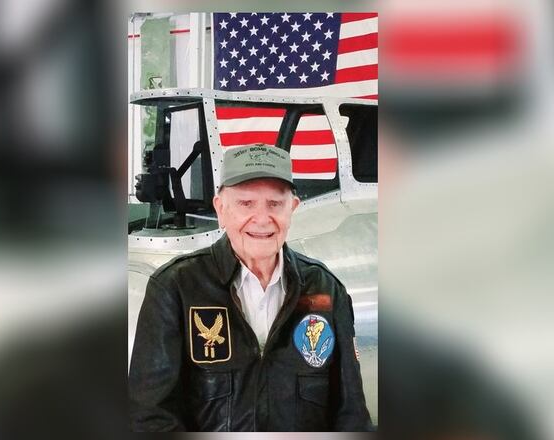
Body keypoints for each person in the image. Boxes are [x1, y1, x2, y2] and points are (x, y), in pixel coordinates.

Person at [128, 143, 373, 431]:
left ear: (292, 209)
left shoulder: (327, 290)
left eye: (274, 204)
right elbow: (150, 419)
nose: (261, 218)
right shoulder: (175, 288)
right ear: (221, 209)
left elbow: (352, 415)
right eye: (246, 203)